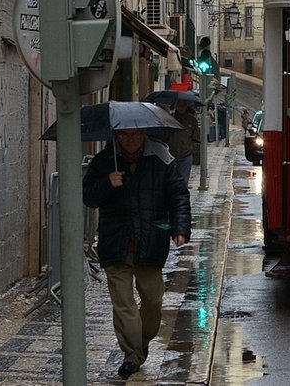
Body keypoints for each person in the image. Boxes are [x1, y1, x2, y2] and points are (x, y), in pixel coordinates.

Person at [83, 127, 192, 378]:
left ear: (144, 133)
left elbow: (178, 195)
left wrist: (180, 228)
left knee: (153, 300)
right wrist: (107, 183)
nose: (129, 139)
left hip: (150, 241)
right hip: (115, 242)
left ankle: (140, 343)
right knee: (124, 304)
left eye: (135, 134)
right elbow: (88, 197)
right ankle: (132, 355)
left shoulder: (162, 159)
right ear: (117, 136)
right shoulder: (104, 160)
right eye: (124, 134)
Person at [161, 101, 200, 184]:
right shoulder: (169, 118)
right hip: (171, 155)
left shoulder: (192, 120)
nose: (181, 107)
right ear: (176, 105)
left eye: (183, 105)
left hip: (186, 155)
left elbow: (196, 138)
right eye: (179, 105)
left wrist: (191, 149)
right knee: (170, 181)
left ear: (187, 106)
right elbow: (163, 136)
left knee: (183, 182)